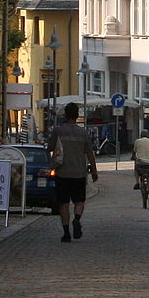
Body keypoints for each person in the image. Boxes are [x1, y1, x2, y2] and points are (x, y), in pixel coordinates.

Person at [47, 102, 99, 242]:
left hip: (62, 173)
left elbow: (50, 147)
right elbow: (90, 153)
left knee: (63, 203)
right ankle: (76, 219)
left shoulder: (58, 131)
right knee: (79, 201)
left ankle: (66, 233)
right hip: (79, 173)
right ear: (77, 116)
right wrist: (94, 171)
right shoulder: (83, 132)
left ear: (65, 115)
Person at [131, 128, 149, 192]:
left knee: (136, 170)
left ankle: (137, 182)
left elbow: (134, 152)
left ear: (141, 135)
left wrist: (133, 157)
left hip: (140, 162)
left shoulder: (137, 141)